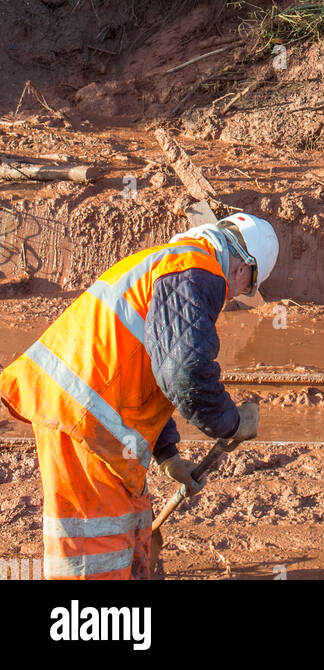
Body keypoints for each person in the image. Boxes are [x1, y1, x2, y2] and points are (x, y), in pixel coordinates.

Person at [0, 211, 279, 580]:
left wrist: (169, 457)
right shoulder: (198, 269)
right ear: (244, 267)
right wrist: (229, 423)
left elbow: (149, 367)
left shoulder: (170, 264)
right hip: (83, 418)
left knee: (129, 518)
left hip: (94, 416)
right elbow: (183, 371)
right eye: (246, 288)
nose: (235, 296)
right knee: (94, 547)